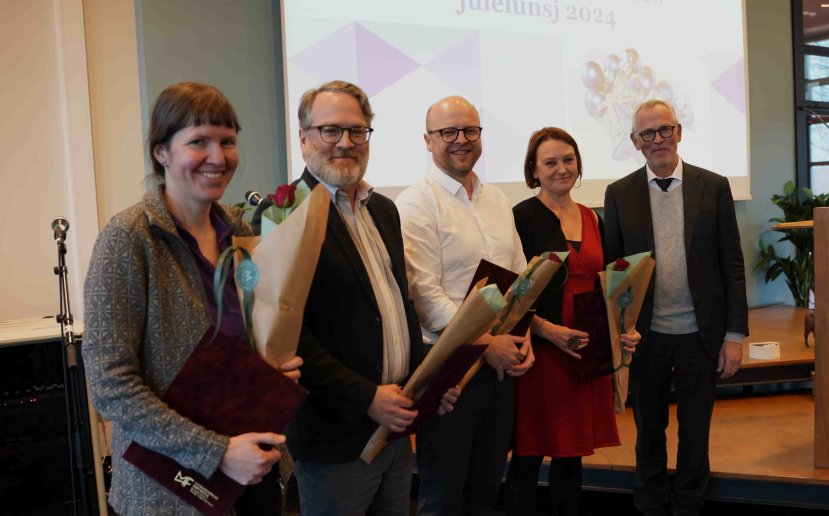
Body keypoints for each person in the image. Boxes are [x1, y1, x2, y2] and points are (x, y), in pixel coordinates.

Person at [83, 82, 302, 515]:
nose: (218, 158)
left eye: (227, 141)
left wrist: (274, 368)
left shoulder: (244, 232)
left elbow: (248, 340)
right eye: (198, 142)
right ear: (161, 152)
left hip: (256, 468)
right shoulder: (129, 238)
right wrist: (216, 451)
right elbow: (110, 386)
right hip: (171, 490)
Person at [255, 81, 457, 516]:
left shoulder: (382, 209)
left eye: (357, 131)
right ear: (303, 136)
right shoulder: (281, 212)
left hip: (396, 429)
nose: (345, 142)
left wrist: (429, 380)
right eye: (331, 131)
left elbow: (396, 312)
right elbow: (288, 337)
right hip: (335, 438)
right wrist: (366, 397)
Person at [603, 100, 749, 516]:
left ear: (679, 132)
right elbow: (613, 271)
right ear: (635, 142)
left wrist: (734, 335)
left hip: (700, 335)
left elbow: (732, 264)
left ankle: (688, 504)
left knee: (695, 431)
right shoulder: (618, 194)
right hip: (645, 336)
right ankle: (649, 504)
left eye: (664, 130)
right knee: (648, 429)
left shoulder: (714, 186)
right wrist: (619, 331)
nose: (657, 140)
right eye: (647, 133)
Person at [396, 96, 533, 515]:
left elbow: (520, 276)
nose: (461, 140)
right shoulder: (416, 203)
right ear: (427, 140)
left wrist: (521, 336)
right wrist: (485, 342)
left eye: (470, 130)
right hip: (450, 371)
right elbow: (425, 294)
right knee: (444, 497)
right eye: (448, 132)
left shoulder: (496, 199)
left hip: (499, 368)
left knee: (485, 490)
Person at [505, 127, 641, 515]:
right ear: (534, 169)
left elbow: (608, 284)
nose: (561, 168)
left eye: (568, 159)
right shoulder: (522, 216)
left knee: (572, 453)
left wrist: (622, 329)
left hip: (585, 345)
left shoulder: (591, 216)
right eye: (550, 162)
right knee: (529, 452)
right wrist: (548, 333)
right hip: (541, 348)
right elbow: (515, 291)